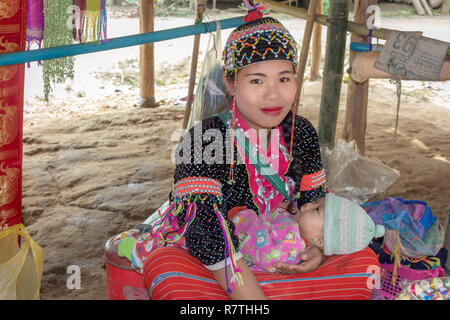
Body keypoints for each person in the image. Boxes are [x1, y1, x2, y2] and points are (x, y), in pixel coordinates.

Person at [141, 1, 380, 300]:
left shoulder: (301, 132)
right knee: (165, 269)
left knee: (365, 262)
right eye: (257, 80)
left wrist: (315, 249)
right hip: (223, 266)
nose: (273, 94)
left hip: (286, 249)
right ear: (231, 83)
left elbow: (315, 201)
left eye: (284, 78)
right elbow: (205, 229)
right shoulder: (206, 138)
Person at [232, 193, 385, 273]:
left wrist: (243, 219)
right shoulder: (294, 226)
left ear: (320, 240)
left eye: (316, 209)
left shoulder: (290, 243)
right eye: (316, 203)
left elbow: (253, 247)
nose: (308, 205)